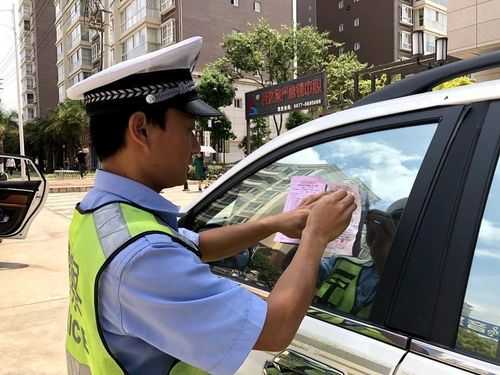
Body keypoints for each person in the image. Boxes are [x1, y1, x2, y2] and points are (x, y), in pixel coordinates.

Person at [64, 36, 356, 375]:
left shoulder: (100, 215)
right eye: (189, 131)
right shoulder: (142, 257)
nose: (195, 147)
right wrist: (315, 238)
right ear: (141, 129)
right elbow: (275, 329)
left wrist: (275, 223)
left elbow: (195, 245)